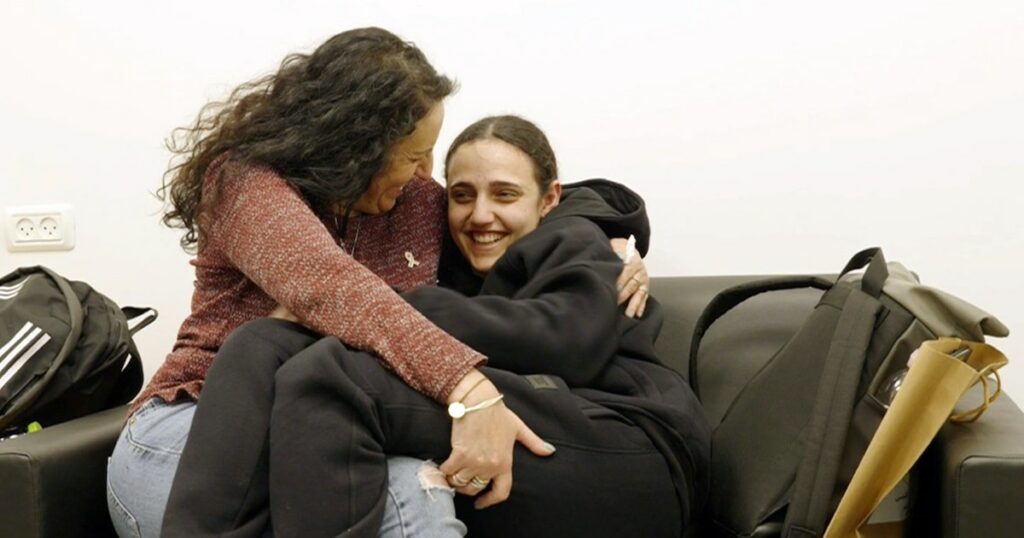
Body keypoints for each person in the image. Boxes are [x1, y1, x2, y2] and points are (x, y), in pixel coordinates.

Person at [106, 28, 649, 538]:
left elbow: (511, 199)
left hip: (331, 426)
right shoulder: (245, 183)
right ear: (356, 146)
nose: (425, 171)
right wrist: (470, 389)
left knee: (417, 488)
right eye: (414, 155)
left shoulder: (413, 201)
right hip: (195, 424)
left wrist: (608, 235)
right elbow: (329, 286)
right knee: (404, 498)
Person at [162, 115, 709, 537]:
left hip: (630, 442)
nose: (480, 214)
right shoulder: (452, 251)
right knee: (264, 339)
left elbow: (566, 341)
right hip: (546, 419)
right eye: (463, 195)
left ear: (550, 200)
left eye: (506, 194)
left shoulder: (574, 241)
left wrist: (388, 305)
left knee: (335, 376)